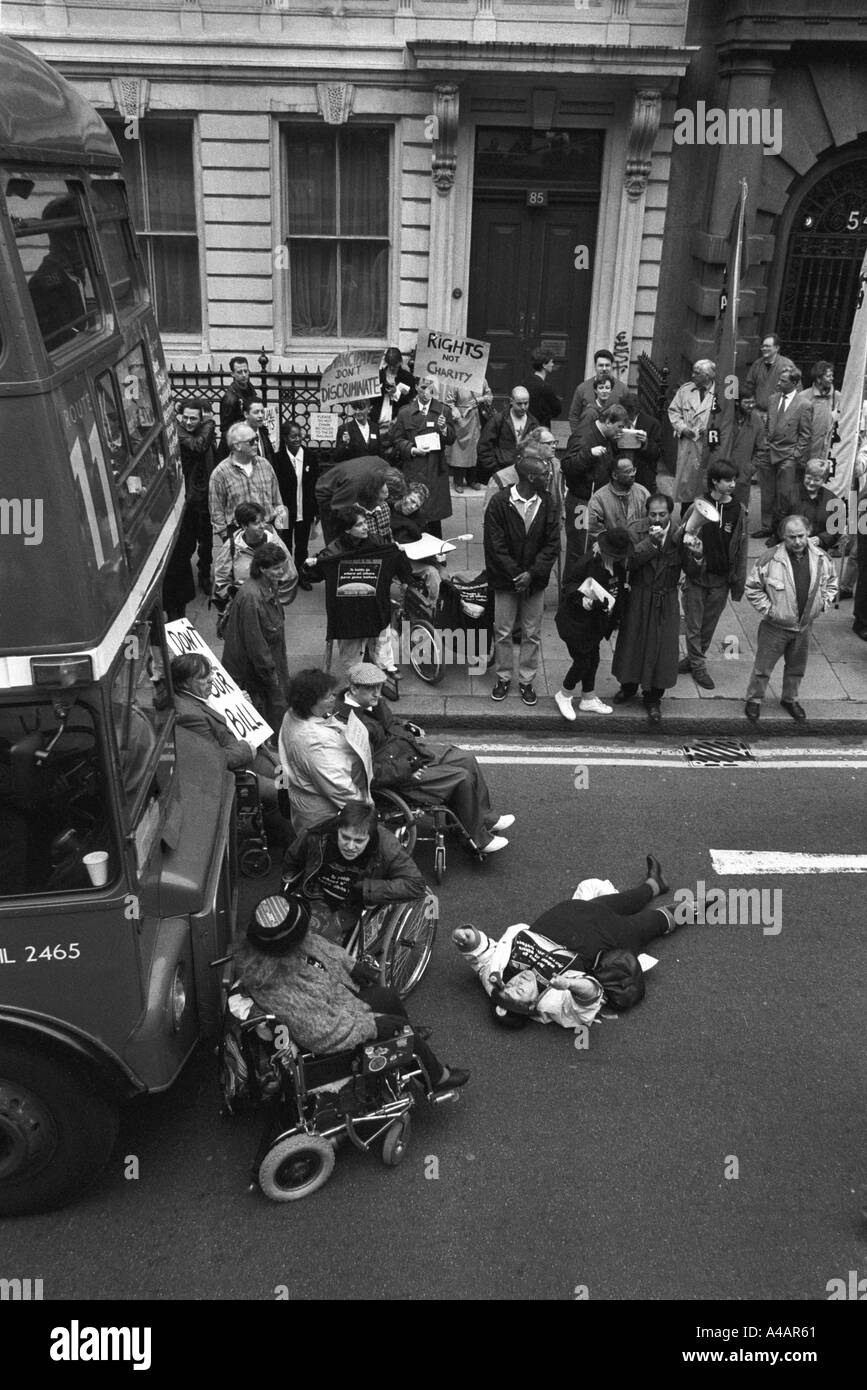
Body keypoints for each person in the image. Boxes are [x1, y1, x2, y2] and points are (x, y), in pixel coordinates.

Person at [234, 893, 467, 1092]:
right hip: (330, 1037)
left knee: (386, 997)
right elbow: (320, 1033)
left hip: (337, 1000)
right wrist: (372, 1026)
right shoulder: (281, 989)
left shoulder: (282, 948)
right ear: (288, 944)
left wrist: (351, 965)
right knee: (393, 1022)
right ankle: (436, 1078)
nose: (308, 932)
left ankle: (408, 1037)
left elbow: (323, 949)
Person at [452, 855, 679, 1031]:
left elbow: (481, 958)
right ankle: (707, 905)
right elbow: (589, 1001)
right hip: (608, 936)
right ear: (532, 1006)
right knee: (655, 921)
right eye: (520, 992)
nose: (516, 982)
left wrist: (468, 941)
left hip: (580, 911)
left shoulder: (497, 977)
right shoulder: (553, 1003)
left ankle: (655, 883)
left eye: (510, 987)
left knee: (632, 897)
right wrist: (570, 985)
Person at [334, 662, 514, 855]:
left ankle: (484, 817)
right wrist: (408, 767)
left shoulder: (369, 701)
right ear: (353, 688)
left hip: (407, 752)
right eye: (371, 689)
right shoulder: (350, 726)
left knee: (466, 758)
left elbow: (389, 722)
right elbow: (370, 772)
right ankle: (478, 840)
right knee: (461, 777)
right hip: (401, 773)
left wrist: (406, 726)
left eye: (379, 687)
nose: (378, 693)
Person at [281, 800, 425, 945]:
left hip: (353, 905)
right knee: (282, 933)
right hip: (315, 894)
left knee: (321, 945)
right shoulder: (319, 833)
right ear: (338, 829)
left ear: (370, 837)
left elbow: (416, 885)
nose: (350, 846)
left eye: (359, 841)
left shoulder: (387, 846)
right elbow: (293, 858)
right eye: (345, 837)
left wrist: (368, 889)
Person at [743, 514, 838, 723]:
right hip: (775, 626)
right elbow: (752, 588)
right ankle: (754, 699)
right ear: (782, 538)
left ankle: (790, 699)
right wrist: (769, 611)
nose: (797, 542)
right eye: (791, 537)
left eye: (801, 536)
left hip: (804, 626)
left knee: (797, 667)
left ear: (809, 533)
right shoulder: (769, 559)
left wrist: (823, 603)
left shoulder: (822, 558)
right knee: (763, 668)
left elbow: (831, 582)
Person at [484, 451, 561, 707]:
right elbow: (495, 545)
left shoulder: (548, 502)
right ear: (530, 477)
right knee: (503, 631)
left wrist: (532, 574)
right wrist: (517, 574)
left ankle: (526, 680)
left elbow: (552, 544)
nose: (548, 477)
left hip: (534, 581)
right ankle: (504, 677)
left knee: (532, 632)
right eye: (544, 474)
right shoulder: (499, 502)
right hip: (507, 581)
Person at [611, 493, 693, 723]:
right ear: (646, 513)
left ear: (670, 513)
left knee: (662, 649)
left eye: (662, 514)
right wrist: (651, 543)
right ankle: (628, 687)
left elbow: (694, 570)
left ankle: (653, 697)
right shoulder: (635, 530)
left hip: (665, 598)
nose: (657, 519)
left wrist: (696, 555)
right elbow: (627, 563)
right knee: (632, 643)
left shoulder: (681, 534)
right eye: (653, 514)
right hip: (639, 595)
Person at [305, 506, 410, 679]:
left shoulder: (376, 541)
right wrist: (311, 565)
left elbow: (395, 558)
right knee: (352, 648)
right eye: (360, 524)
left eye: (365, 522)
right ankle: (356, 675)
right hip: (349, 610)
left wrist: (399, 555)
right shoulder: (334, 551)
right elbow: (313, 575)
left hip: (375, 603)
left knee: (382, 636)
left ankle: (385, 664)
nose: (366, 527)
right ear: (347, 529)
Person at [170, 652, 283, 810]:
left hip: (249, 756)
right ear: (185, 684)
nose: (211, 679)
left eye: (210, 673)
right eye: (202, 677)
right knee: (285, 792)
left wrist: (242, 705)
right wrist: (245, 750)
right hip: (237, 772)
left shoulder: (197, 697)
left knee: (293, 776)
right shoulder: (189, 716)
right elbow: (213, 760)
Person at [678, 460, 748, 689]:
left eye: (734, 480)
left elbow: (742, 548)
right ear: (715, 482)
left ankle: (693, 658)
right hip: (697, 576)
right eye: (728, 480)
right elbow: (679, 535)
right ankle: (698, 666)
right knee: (693, 625)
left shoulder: (738, 510)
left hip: (721, 579)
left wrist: (738, 579)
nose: (732, 484)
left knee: (708, 626)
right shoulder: (698, 504)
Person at [279, 669, 372, 834]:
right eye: (327, 696)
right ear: (310, 702)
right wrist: (365, 810)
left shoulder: (293, 714)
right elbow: (339, 787)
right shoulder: (312, 742)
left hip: (306, 797)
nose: (333, 698)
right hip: (323, 814)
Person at [553, 527, 628, 720]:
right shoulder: (588, 562)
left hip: (595, 624)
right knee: (583, 662)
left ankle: (588, 697)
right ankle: (565, 693)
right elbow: (569, 586)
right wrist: (584, 602)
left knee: (593, 660)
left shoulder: (618, 565)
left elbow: (616, 589)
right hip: (576, 624)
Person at [220, 542, 291, 733]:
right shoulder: (252, 597)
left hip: (269, 661)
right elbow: (256, 644)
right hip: (255, 671)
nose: (281, 571)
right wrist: (272, 676)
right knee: (271, 709)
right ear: (261, 569)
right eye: (276, 568)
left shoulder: (268, 585)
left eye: (282, 566)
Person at [560, 403, 629, 583]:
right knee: (579, 550)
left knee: (594, 548)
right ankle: (571, 592)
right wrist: (589, 454)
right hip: (582, 502)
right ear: (607, 421)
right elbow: (567, 466)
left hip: (596, 501)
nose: (620, 431)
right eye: (619, 427)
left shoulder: (604, 436)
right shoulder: (584, 437)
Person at [391, 374, 456, 537]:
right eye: (423, 387)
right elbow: (397, 440)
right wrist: (412, 449)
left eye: (430, 388)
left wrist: (444, 429)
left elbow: (451, 439)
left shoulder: (443, 410)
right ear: (416, 388)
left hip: (435, 469)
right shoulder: (405, 413)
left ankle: (436, 551)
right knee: (413, 509)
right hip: (414, 469)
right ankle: (413, 544)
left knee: (434, 515)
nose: (426, 392)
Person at [208, 422, 284, 550]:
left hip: (268, 531)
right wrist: (226, 538)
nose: (256, 443)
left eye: (256, 439)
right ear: (237, 445)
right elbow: (216, 511)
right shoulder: (220, 473)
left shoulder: (265, 465)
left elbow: (278, 500)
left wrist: (281, 531)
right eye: (251, 441)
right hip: (238, 536)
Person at [212, 502, 297, 610]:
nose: (262, 526)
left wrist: (274, 601)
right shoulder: (231, 547)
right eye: (257, 523)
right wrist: (236, 599)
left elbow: (290, 575)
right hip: (242, 610)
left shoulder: (275, 544)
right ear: (244, 526)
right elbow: (221, 579)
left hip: (269, 611)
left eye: (263, 521)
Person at [175, 398, 217, 591]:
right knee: (187, 541)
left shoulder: (205, 433)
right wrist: (209, 422)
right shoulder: (181, 433)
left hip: (205, 497)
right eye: (186, 418)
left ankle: (204, 573)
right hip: (190, 499)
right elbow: (198, 447)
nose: (188, 422)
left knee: (206, 541)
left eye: (193, 418)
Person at [273, 420, 318, 589]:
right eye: (293, 436)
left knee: (302, 545)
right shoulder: (277, 459)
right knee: (284, 544)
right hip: (283, 511)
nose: (297, 439)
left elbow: (315, 484)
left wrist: (316, 511)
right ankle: (284, 576)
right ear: (285, 438)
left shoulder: (310, 456)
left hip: (304, 510)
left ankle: (301, 575)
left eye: (299, 435)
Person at [668, 359, 716, 508]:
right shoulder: (685, 390)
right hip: (688, 445)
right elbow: (674, 411)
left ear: (708, 376)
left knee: (705, 485)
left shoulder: (721, 394)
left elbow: (725, 423)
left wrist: (709, 430)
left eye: (697, 373)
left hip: (707, 446)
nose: (693, 375)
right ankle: (685, 514)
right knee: (686, 485)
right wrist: (682, 428)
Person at [483, 428, 560, 515]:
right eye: (549, 443)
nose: (554, 446)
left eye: (555, 443)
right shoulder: (500, 479)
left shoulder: (556, 469)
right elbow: (489, 517)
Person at [767, 458, 836, 552]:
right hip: (788, 546)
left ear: (824, 480)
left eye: (816, 480)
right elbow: (777, 522)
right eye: (808, 478)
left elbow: (836, 527)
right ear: (804, 476)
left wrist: (821, 539)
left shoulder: (832, 499)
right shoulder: (788, 494)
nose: (811, 483)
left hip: (817, 548)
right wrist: (793, 538)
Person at [764, 364, 805, 523]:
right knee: (767, 492)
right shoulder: (772, 399)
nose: (778, 383)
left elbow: (805, 434)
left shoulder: (803, 404)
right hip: (769, 450)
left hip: (788, 454)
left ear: (794, 384)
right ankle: (766, 525)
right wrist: (765, 443)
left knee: (784, 494)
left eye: (783, 381)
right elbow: (768, 424)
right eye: (779, 380)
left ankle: (780, 529)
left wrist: (795, 454)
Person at [315, 452, 384, 545]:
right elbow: (339, 509)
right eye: (380, 500)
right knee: (338, 539)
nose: (381, 504)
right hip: (326, 498)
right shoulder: (354, 485)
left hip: (343, 484)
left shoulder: (385, 468)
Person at [476, 386, 539, 482]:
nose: (523, 407)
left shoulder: (533, 423)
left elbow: (537, 448)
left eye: (526, 403)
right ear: (511, 401)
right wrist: (494, 469)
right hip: (502, 472)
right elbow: (484, 446)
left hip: (524, 474)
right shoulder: (499, 420)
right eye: (519, 404)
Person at [587, 456, 650, 544]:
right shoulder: (598, 499)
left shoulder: (643, 493)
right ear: (615, 475)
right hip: (612, 549)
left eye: (633, 470)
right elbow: (595, 531)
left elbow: (650, 523)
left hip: (639, 547)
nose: (633, 474)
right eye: (628, 471)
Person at [726, 384, 768, 513]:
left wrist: (750, 468)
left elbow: (762, 449)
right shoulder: (726, 418)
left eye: (753, 402)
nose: (751, 406)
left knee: (740, 510)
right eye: (747, 402)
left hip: (743, 472)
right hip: (723, 469)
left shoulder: (756, 420)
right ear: (737, 403)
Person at [567, 349, 629, 432]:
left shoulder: (623, 389)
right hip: (587, 437)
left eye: (607, 365)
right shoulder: (582, 388)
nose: (604, 369)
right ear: (595, 366)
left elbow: (627, 417)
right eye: (600, 365)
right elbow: (574, 416)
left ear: (612, 366)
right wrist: (577, 436)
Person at [795, 361, 838, 468]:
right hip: (805, 453)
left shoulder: (837, 397)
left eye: (832, 375)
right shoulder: (803, 397)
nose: (831, 378)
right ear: (818, 379)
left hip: (827, 455)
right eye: (828, 376)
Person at [745, 334, 796, 421]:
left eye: (768, 346)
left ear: (776, 348)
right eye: (763, 346)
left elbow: (795, 389)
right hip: (757, 412)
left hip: (777, 415)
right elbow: (749, 385)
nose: (764, 349)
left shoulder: (787, 365)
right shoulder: (757, 364)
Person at [619, 392, 661, 495]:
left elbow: (657, 453)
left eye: (630, 415)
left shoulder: (652, 424)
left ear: (636, 412)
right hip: (620, 472)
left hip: (642, 474)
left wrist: (645, 443)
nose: (627, 418)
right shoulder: (617, 420)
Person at [447, 385, 485, 492]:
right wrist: (455, 411)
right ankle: (458, 481)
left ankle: (472, 479)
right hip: (461, 418)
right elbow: (449, 402)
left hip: (474, 418)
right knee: (459, 450)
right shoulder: (457, 379)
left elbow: (489, 396)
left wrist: (479, 399)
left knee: (474, 449)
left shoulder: (481, 380)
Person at [371, 346, 416, 431]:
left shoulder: (407, 377)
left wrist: (396, 393)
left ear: (400, 362)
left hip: (397, 423)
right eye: (390, 365)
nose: (392, 368)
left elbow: (409, 401)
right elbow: (371, 400)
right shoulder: (378, 376)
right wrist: (382, 389)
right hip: (378, 421)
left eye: (395, 365)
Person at [333, 398, 388, 463]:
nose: (357, 412)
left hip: (372, 470)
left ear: (369, 409)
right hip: (354, 471)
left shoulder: (374, 428)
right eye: (355, 409)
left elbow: (379, 453)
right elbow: (337, 458)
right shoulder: (345, 429)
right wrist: (344, 444)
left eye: (361, 408)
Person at [522, 346, 562, 430]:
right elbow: (557, 410)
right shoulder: (545, 387)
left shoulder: (525, 382)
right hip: (541, 428)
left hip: (525, 427)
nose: (552, 364)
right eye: (551, 362)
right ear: (544, 365)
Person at [219, 356, 256, 438]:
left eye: (246, 371)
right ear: (233, 374)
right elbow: (225, 429)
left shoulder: (250, 388)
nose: (244, 375)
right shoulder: (229, 399)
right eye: (239, 372)